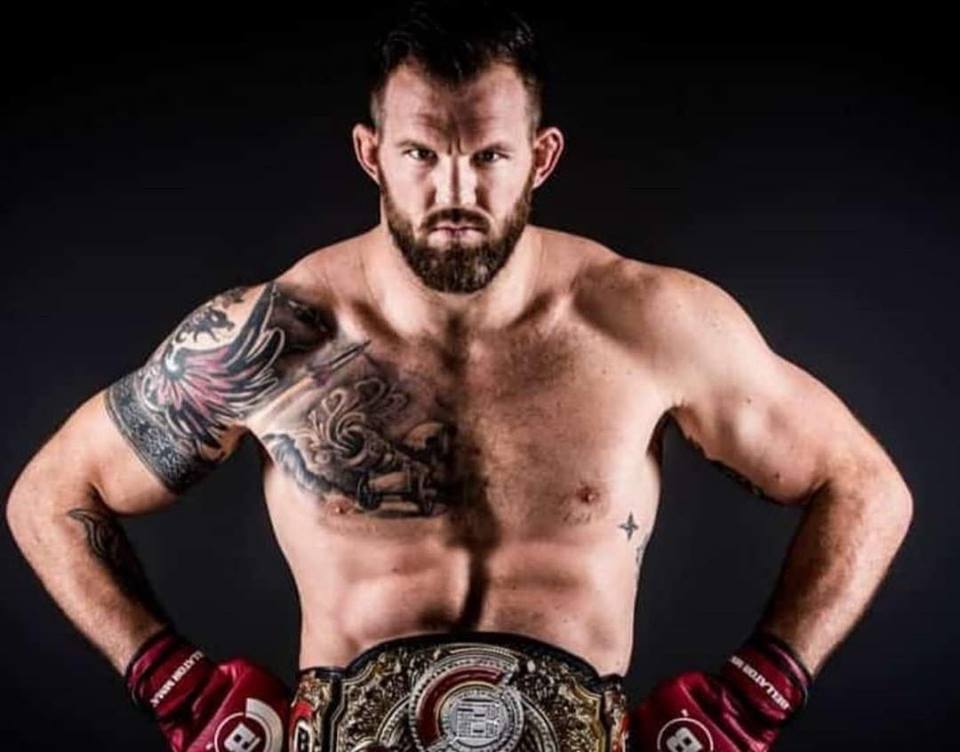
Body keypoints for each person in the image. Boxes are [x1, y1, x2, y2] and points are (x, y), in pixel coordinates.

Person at [6, 3, 914, 751]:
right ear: (371, 153)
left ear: (540, 158)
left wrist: (754, 697)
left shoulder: (651, 322)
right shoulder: (277, 336)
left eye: (488, 156)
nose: (454, 191)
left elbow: (865, 485)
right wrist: (175, 685)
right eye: (420, 154)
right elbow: (51, 497)